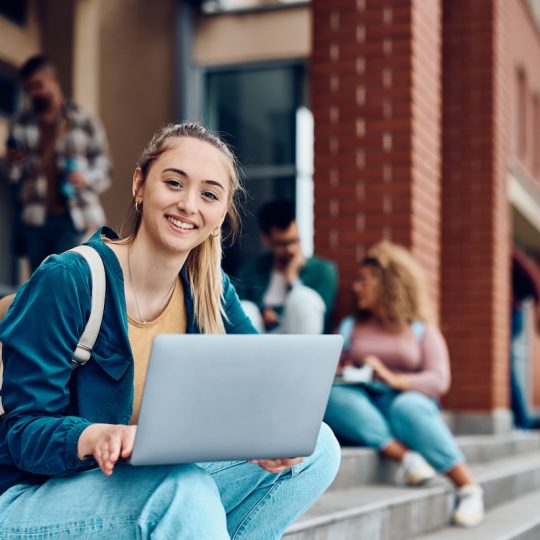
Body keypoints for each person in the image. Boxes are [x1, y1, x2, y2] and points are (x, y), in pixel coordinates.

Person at [0, 122, 341, 539]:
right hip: (29, 498)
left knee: (317, 449)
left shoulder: (210, 291)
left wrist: (265, 435)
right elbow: (22, 432)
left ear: (220, 215)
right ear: (140, 185)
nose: (188, 205)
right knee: (182, 490)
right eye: (174, 183)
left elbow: (261, 392)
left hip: (136, 486)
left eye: (209, 194)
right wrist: (92, 435)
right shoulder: (70, 278)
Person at [324, 240, 485, 528]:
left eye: (365, 280)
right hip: (364, 402)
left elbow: (439, 380)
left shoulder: (420, 329)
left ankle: (469, 488)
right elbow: (330, 368)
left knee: (408, 407)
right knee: (333, 397)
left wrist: (394, 378)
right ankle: (407, 457)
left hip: (407, 401)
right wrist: (343, 368)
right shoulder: (350, 327)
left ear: (389, 283)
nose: (356, 287)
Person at [5, 54, 111, 272]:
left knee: (71, 278)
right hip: (35, 219)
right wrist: (13, 163)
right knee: (41, 280)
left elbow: (105, 167)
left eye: (38, 85)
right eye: (28, 88)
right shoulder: (21, 125)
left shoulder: (84, 121)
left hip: (75, 217)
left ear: (53, 79)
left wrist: (86, 178)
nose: (33, 93)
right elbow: (14, 176)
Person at [235, 199, 338, 334]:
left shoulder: (322, 271)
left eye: (295, 240)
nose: (291, 249)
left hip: (298, 340)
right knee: (246, 308)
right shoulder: (250, 271)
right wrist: (262, 311)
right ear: (266, 239)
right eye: (282, 244)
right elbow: (235, 310)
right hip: (261, 338)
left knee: (303, 298)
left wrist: (293, 280)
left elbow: (320, 316)